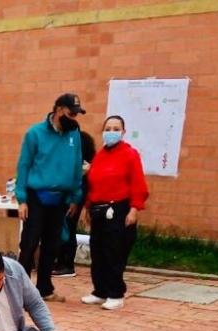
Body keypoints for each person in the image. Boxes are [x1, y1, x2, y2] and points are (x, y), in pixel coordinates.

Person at [15, 93, 85, 301]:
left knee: (52, 245)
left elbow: (76, 165)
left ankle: (44, 288)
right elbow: (24, 166)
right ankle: (21, 290)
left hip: (61, 198)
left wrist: (75, 196)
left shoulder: (74, 135)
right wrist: (22, 199)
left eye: (77, 114)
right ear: (58, 109)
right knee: (29, 243)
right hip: (37, 196)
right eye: (71, 113)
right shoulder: (35, 134)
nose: (74, 118)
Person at [82, 115, 150, 311]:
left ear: (123, 132)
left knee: (114, 253)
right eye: (108, 128)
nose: (111, 132)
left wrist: (134, 209)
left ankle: (116, 293)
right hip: (98, 210)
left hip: (119, 210)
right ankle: (100, 291)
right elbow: (93, 183)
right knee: (98, 252)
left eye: (115, 128)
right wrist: (88, 207)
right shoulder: (100, 155)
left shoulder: (130, 155)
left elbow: (138, 184)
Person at [52, 130, 97, 278]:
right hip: (64, 193)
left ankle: (67, 264)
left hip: (75, 194)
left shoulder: (82, 144)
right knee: (62, 226)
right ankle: (60, 261)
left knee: (69, 226)